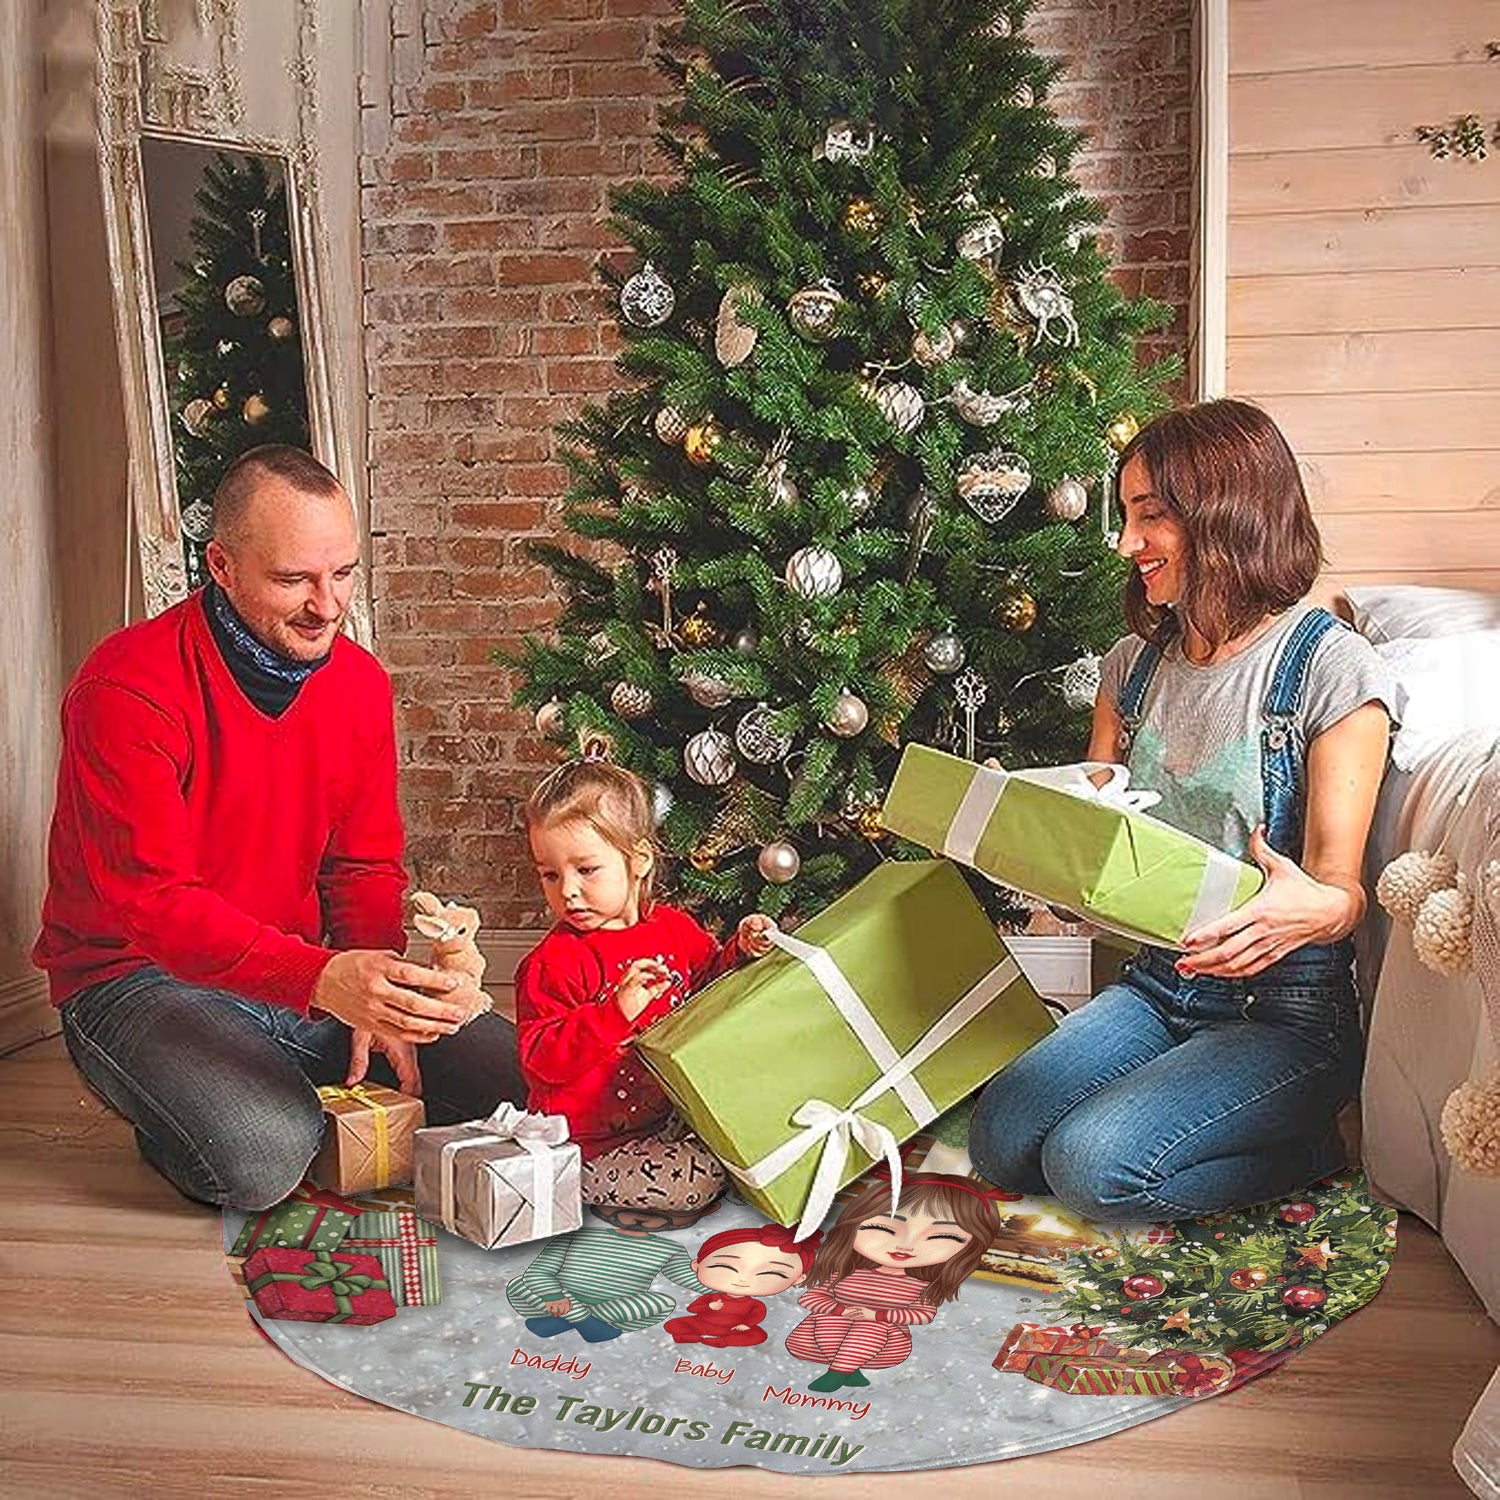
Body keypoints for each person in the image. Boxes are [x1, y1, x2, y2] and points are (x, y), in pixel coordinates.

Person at [33, 446, 521, 1210]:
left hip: (297, 972)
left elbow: (362, 866)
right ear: (221, 566)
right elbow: (155, 905)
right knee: (265, 1162)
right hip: (131, 979)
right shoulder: (126, 689)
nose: (328, 605)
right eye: (294, 579)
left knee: (519, 1081)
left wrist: (373, 986)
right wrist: (326, 983)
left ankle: (260, 1073)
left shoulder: (359, 684)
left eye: (345, 573)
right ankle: (185, 1106)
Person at [968, 399, 1398, 1222]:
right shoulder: (1130, 667)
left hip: (1281, 1012)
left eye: (1150, 517)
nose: (1127, 545)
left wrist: (1317, 904)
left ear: (1226, 515)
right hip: (1157, 983)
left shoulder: (1330, 666)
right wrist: (1039, 852)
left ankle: (1309, 1152)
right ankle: (1179, 1106)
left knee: (1090, 1167)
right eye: (1126, 516)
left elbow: (1342, 892)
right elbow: (1092, 854)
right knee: (1004, 1140)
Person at [515, 750, 777, 1231]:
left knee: (753, 1138)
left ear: (637, 861)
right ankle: (561, 1183)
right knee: (695, 1179)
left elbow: (707, 988)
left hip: (664, 1117)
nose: (567, 890)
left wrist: (740, 949)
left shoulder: (673, 930)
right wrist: (612, 1013)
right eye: (550, 874)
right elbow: (540, 1058)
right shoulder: (553, 963)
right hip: (588, 1143)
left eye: (586, 870)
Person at [784, 1172, 1003, 1391]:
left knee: (872, 1328)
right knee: (830, 1321)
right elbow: (811, 1297)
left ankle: (838, 1372)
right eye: (884, 1228)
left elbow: (923, 1314)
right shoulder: (845, 1272)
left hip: (882, 1349)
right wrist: (840, 1309)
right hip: (810, 1343)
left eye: (941, 1236)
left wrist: (877, 1316)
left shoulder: (922, 1286)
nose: (906, 1245)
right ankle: (849, 1368)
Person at [663, 1223, 820, 1347]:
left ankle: (724, 1341)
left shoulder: (755, 1304)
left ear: (798, 1279)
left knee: (758, 1335)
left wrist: (746, 1324)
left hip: (733, 1329)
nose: (743, 1279)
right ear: (697, 1265)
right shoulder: (711, 1297)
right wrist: (708, 1307)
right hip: (701, 1324)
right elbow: (692, 1309)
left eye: (771, 1273)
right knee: (674, 1324)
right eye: (726, 1267)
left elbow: (756, 1316)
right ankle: (690, 1337)